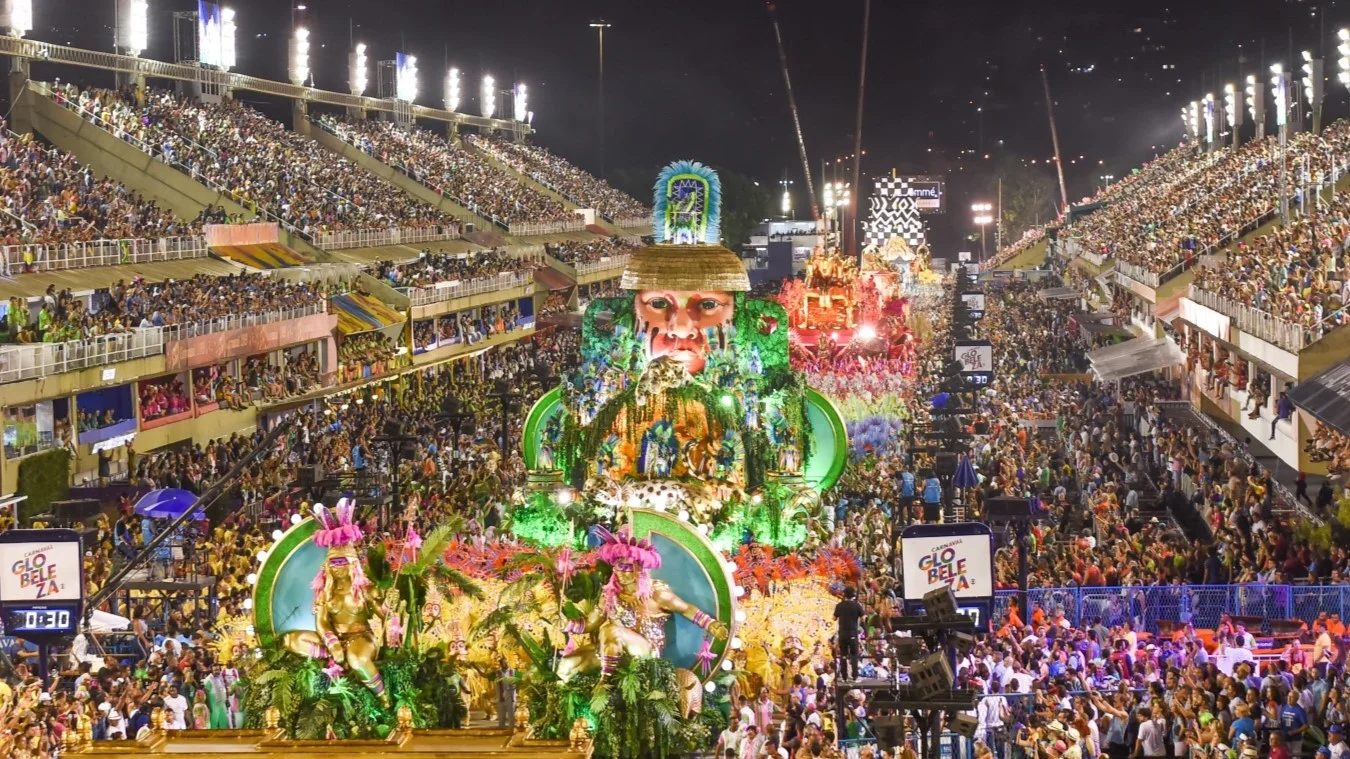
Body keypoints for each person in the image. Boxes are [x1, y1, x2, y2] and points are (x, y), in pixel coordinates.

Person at [834, 586, 865, 682]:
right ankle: (855, 677)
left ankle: (844, 677)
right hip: (853, 633)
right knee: (854, 655)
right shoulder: (857, 605)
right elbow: (863, 618)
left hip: (842, 634)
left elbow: (834, 618)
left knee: (843, 655)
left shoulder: (839, 606)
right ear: (854, 595)